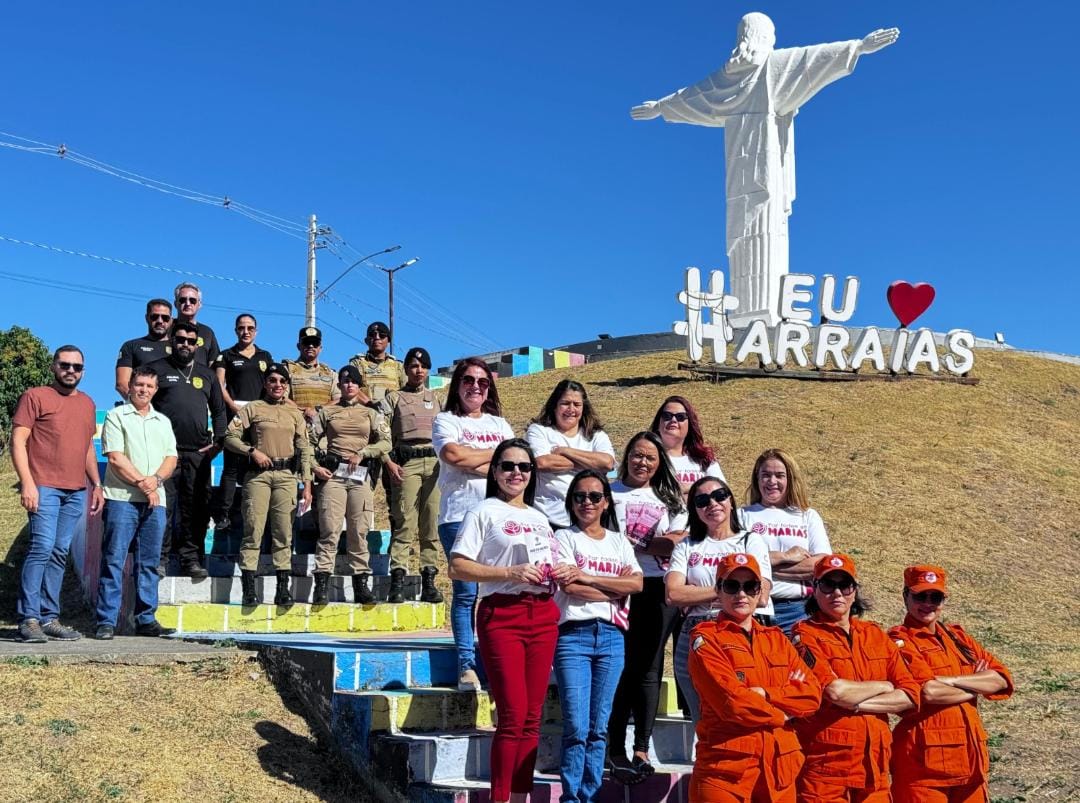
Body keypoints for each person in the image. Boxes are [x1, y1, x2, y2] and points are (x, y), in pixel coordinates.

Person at [630, 13, 899, 325]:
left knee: (763, 228)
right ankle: (747, 315)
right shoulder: (749, 72)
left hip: (764, 174)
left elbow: (813, 59)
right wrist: (662, 107)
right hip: (741, 177)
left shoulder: (764, 69)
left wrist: (857, 47)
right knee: (743, 232)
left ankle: (764, 313)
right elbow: (695, 95)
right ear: (764, 36)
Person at [448, 439, 560, 803]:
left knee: (532, 716)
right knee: (511, 715)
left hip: (542, 614)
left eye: (524, 467)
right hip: (502, 614)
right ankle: (500, 798)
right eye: (508, 465)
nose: (516, 473)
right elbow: (458, 565)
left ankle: (520, 795)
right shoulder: (484, 511)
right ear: (495, 471)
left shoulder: (541, 517)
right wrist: (508, 571)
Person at [688, 553, 821, 802]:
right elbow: (733, 704)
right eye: (732, 586)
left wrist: (767, 694)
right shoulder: (706, 640)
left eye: (750, 586)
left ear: (760, 591)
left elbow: (812, 694)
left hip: (778, 772)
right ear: (718, 590)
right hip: (726, 774)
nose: (741, 594)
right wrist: (781, 715)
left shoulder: (777, 639)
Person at [793, 554, 921, 802]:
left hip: (874, 768)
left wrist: (856, 703)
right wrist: (885, 685)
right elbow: (835, 692)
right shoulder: (805, 635)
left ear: (854, 591)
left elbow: (910, 694)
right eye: (828, 585)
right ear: (815, 590)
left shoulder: (874, 634)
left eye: (845, 585)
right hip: (826, 770)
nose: (837, 593)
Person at [552, 470, 643, 803]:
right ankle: (571, 798)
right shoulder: (564, 538)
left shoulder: (619, 542)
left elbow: (637, 584)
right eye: (579, 496)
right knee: (576, 727)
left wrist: (588, 576)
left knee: (599, 726)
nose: (586, 502)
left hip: (612, 638)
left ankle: (590, 795)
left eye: (594, 496)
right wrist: (612, 589)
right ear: (571, 502)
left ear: (606, 502)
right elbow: (569, 587)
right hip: (573, 636)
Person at [889, 565, 1013, 803]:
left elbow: (1001, 679)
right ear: (905, 596)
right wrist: (977, 684)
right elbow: (928, 692)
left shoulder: (958, 638)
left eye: (935, 597)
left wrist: (951, 680)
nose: (927, 603)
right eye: (920, 596)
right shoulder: (900, 640)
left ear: (943, 600)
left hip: (971, 761)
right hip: (923, 768)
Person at [606, 431, 686, 783]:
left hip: (656, 587)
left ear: (660, 463)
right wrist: (648, 544)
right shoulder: (609, 491)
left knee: (650, 668)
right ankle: (614, 747)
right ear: (627, 456)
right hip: (620, 584)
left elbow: (672, 546)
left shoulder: (670, 498)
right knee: (621, 666)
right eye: (638, 455)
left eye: (651, 458)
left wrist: (637, 542)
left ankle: (641, 747)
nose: (643, 462)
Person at [432, 357, 514, 691]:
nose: (475, 387)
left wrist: (477, 458)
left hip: (498, 518)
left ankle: (494, 663)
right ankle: (466, 665)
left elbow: (515, 467)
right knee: (466, 592)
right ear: (457, 384)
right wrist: (496, 459)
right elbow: (453, 457)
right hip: (458, 516)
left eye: (482, 382)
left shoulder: (500, 424)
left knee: (496, 593)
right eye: (468, 380)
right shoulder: (445, 420)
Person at [10, 346, 101, 642]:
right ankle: (29, 619)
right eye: (65, 365)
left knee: (59, 552)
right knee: (42, 548)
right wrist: (27, 482)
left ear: (83, 371)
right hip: (44, 486)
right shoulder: (35, 396)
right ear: (53, 366)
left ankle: (50, 618)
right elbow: (18, 441)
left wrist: (96, 484)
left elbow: (87, 447)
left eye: (77, 367)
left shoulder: (87, 403)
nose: (71, 371)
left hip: (75, 490)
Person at [666, 476, 772, 723]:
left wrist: (698, 593)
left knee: (743, 709)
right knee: (701, 717)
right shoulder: (687, 545)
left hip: (741, 631)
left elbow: (762, 595)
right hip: (696, 632)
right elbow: (673, 594)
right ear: (694, 509)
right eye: (702, 500)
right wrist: (732, 590)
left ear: (731, 501)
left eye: (719, 496)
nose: (712, 503)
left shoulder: (750, 541)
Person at [95, 366, 178, 640]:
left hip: (156, 502)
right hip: (122, 500)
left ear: (155, 390)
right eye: (139, 384)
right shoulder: (116, 416)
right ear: (129, 386)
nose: (143, 390)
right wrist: (145, 485)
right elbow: (116, 458)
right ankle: (106, 620)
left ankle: (146, 619)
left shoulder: (163, 422)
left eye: (149, 386)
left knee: (149, 563)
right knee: (114, 559)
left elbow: (171, 459)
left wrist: (154, 481)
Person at [224, 363, 313, 606]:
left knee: (283, 531)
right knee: (253, 529)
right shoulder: (253, 409)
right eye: (272, 380)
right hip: (258, 475)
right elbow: (230, 437)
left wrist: (307, 485)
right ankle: (249, 588)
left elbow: (304, 449)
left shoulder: (294, 414)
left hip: (286, 475)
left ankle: (282, 588)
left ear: (287, 386)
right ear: (265, 383)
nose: (277, 385)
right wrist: (251, 450)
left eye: (282, 382)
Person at [148, 320, 228, 579]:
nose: (185, 344)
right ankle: (159, 559)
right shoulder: (155, 369)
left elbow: (218, 411)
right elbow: (141, 402)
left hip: (198, 453)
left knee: (195, 508)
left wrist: (219, 441)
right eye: (181, 339)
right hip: (164, 454)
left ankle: (190, 559)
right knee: (163, 507)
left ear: (197, 345)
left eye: (191, 341)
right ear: (172, 340)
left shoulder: (206, 374)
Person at [311, 365, 389, 605]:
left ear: (359, 386)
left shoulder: (371, 414)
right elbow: (307, 443)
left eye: (354, 381)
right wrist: (315, 467)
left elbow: (386, 443)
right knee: (330, 530)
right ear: (339, 385)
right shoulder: (327, 412)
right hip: (334, 474)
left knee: (359, 531)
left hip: (359, 476)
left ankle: (360, 584)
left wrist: (364, 452)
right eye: (345, 381)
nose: (349, 385)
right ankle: (321, 583)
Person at [740, 448, 831, 636]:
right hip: (755, 609)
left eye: (779, 475)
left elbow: (822, 565)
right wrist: (786, 556)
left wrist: (762, 567)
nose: (772, 481)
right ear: (757, 479)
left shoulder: (807, 516)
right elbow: (737, 564)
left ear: (790, 479)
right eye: (765, 475)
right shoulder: (742, 516)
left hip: (799, 610)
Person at [380, 347, 445, 605]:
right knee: (404, 520)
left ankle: (429, 580)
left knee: (430, 525)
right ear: (405, 369)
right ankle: (397, 579)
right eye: (414, 366)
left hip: (435, 464)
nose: (419, 371)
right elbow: (380, 431)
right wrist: (388, 461)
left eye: (423, 366)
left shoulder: (437, 399)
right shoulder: (393, 398)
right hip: (406, 463)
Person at [526, 379, 616, 530]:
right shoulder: (538, 430)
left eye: (577, 404)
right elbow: (542, 463)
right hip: (548, 519)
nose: (571, 409)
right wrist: (589, 465)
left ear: (583, 408)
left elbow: (607, 463)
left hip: (589, 521)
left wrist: (565, 451)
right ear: (554, 406)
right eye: (565, 403)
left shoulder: (596, 435)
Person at [213, 313, 274, 532]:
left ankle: (257, 513)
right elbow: (219, 384)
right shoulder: (226, 355)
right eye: (241, 328)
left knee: (259, 464)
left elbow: (272, 385)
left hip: (258, 415)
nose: (245, 331)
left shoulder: (265, 356)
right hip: (236, 412)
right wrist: (231, 405)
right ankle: (224, 514)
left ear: (256, 330)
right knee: (231, 466)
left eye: (250, 328)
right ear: (235, 330)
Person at [350, 320, 407, 537]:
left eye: (381, 335)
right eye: (372, 335)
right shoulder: (358, 364)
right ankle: (358, 538)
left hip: (391, 436)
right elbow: (353, 388)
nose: (377, 338)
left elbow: (405, 394)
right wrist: (372, 405)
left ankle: (397, 544)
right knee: (361, 491)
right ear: (366, 340)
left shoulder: (397, 367)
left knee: (395, 493)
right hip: (366, 436)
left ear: (388, 340)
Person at [649, 395, 724, 494]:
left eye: (680, 417)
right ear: (658, 422)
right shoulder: (649, 458)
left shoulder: (704, 459)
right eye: (667, 416)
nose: (673, 420)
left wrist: (686, 489)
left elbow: (721, 491)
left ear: (690, 425)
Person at [283, 326, 342, 426]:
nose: (311, 346)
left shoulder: (331, 374)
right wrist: (302, 411)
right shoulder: (287, 370)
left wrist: (317, 410)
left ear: (320, 348)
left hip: (324, 427)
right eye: (306, 342)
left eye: (315, 343)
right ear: (298, 346)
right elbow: (281, 397)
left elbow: (339, 400)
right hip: (295, 424)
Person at [115, 298, 173, 399]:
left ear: (171, 321)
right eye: (155, 317)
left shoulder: (180, 348)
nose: (160, 321)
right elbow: (122, 384)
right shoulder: (131, 346)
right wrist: (142, 406)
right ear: (147, 318)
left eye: (165, 318)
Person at [172, 282, 221, 368]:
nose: (187, 304)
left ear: (199, 304)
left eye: (192, 300)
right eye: (183, 300)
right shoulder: (167, 328)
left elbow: (214, 365)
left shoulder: (207, 333)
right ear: (175, 304)